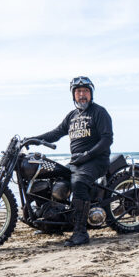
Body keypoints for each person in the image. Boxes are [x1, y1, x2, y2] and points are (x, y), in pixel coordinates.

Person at [32, 76, 113, 247]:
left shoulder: (99, 112)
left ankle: (80, 232)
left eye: (85, 91)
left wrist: (88, 155)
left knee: (79, 184)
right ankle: (50, 223)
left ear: (91, 94)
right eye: (78, 92)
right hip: (77, 161)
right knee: (47, 179)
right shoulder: (72, 116)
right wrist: (33, 139)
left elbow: (107, 139)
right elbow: (56, 133)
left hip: (96, 161)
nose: (82, 95)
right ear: (73, 95)